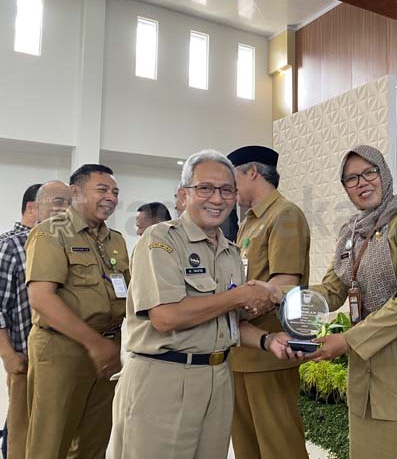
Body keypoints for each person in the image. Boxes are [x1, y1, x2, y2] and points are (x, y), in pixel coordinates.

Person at [258, 145, 397, 459]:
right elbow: (332, 290)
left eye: (369, 172)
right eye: (351, 178)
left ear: (383, 174)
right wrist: (279, 295)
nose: (361, 182)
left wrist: (346, 341)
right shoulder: (350, 233)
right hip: (370, 380)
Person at [111, 150, 298, 459]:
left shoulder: (230, 252)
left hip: (217, 379)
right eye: (205, 188)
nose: (217, 198)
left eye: (226, 190)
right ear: (185, 193)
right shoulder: (161, 241)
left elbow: (229, 321)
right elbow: (165, 317)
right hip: (164, 378)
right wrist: (239, 295)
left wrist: (268, 340)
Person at [24, 165, 129, 459]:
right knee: (51, 441)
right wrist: (94, 344)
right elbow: (41, 298)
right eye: (103, 190)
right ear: (76, 192)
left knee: (93, 442)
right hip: (63, 349)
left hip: (108, 348)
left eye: (115, 192)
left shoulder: (116, 239)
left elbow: (128, 293)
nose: (111, 197)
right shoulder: (50, 232)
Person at [227, 145, 311, 459]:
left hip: (271, 353)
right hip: (241, 350)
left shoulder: (285, 214)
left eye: (232, 177)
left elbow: (285, 283)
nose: (229, 188)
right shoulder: (248, 221)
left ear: (251, 172)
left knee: (279, 446)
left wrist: (230, 305)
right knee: (246, 447)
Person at [0, 183, 41, 458]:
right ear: (31, 207)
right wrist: (8, 354)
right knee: (21, 438)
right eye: (58, 203)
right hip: (24, 359)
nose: (64, 210)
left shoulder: (56, 244)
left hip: (56, 361)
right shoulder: (11, 246)